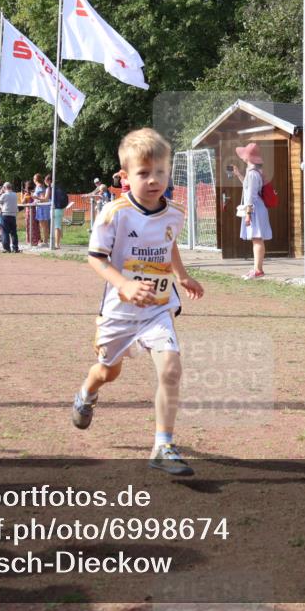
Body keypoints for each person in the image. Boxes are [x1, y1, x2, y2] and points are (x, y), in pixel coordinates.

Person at [73, 128, 204, 476]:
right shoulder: (114, 214)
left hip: (157, 308)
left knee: (171, 368)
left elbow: (169, 241)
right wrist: (124, 285)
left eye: (160, 172)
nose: (153, 180)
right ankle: (87, 391)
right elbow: (96, 258)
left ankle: (163, 445)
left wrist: (182, 275)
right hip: (119, 311)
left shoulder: (174, 213)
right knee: (108, 372)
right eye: (143, 173)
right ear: (124, 176)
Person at [232, 142, 271, 279]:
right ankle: (256, 268)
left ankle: (258, 269)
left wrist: (248, 214)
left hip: (254, 208)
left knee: (257, 239)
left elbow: (250, 195)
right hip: (256, 207)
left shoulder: (253, 173)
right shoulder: (254, 173)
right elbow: (248, 188)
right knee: (256, 238)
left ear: (248, 157)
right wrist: (238, 175)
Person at [0, 182, 21, 253]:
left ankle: (6, 248)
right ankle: (15, 248)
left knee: (5, 232)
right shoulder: (15, 195)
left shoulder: (4, 195)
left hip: (5, 214)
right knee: (13, 232)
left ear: (4, 188)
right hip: (13, 215)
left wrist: (0, 193)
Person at [48, 175, 66, 250]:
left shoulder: (51, 189)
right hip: (61, 209)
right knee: (58, 226)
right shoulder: (60, 188)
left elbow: (48, 198)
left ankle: (57, 244)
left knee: (56, 227)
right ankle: (57, 243)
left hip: (55, 208)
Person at [34, 174, 50, 245]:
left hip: (42, 208)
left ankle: (45, 241)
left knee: (43, 225)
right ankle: (45, 241)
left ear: (35, 179)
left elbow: (42, 198)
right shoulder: (42, 186)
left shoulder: (39, 186)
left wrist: (35, 198)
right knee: (44, 225)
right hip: (43, 207)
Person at [22, 180, 39, 246]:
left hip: (29, 211)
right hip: (33, 211)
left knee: (30, 226)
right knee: (34, 226)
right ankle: (35, 240)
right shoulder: (32, 193)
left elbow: (23, 202)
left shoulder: (30, 193)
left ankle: (30, 241)